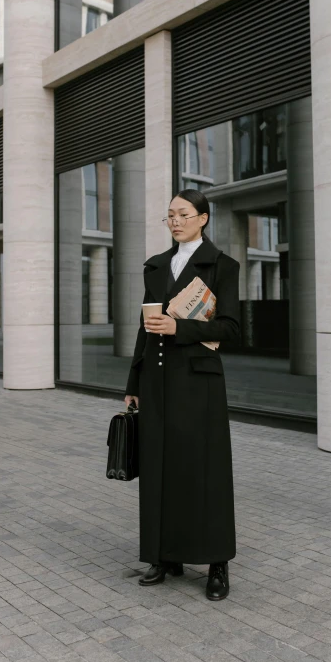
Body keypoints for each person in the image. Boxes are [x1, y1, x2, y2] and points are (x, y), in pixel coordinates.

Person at [124, 189, 240, 601]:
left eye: (183, 214)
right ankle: (163, 556)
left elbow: (230, 328)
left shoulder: (221, 266)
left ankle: (216, 564)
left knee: (204, 472)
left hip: (199, 382)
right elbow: (145, 326)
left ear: (203, 218)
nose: (175, 221)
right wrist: (133, 385)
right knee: (158, 470)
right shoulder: (155, 266)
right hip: (156, 383)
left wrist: (181, 330)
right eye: (169, 215)